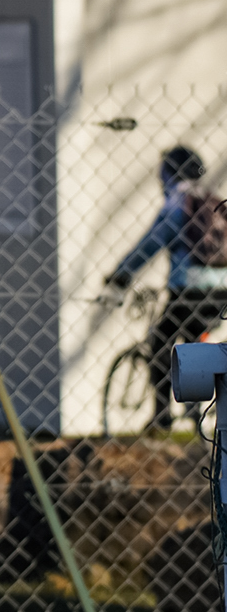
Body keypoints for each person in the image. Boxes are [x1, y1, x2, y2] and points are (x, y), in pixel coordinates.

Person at [105, 145, 227, 431]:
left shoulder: (177, 204)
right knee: (195, 344)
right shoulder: (213, 201)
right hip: (220, 292)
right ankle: (195, 412)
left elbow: (149, 245)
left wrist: (121, 274)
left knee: (161, 345)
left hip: (187, 291)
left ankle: (161, 416)